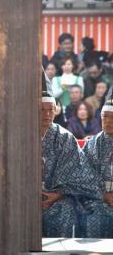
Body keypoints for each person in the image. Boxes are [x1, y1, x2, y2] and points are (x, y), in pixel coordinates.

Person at [40, 71, 103, 237]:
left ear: (56, 110)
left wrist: (57, 195)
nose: (47, 114)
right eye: (41, 110)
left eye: (50, 110)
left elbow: (79, 173)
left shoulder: (64, 137)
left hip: (59, 198)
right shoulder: (21, 136)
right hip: (24, 197)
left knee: (66, 209)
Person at [83, 89, 113, 238]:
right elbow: (84, 176)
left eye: (112, 117)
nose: (107, 121)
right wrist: (103, 195)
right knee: (92, 211)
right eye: (104, 117)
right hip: (98, 199)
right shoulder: (91, 144)